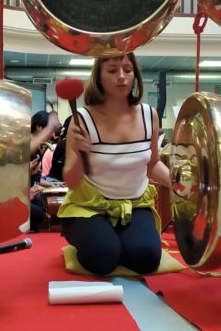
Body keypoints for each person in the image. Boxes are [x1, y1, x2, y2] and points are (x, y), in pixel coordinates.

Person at [58, 53, 172, 275]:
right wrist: (80, 155)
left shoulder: (149, 115)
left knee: (147, 259)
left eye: (127, 70)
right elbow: (71, 181)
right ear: (99, 77)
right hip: (88, 206)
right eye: (112, 70)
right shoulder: (82, 119)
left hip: (134, 205)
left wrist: (179, 185)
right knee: (103, 258)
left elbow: (153, 164)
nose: (122, 76)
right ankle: (98, 239)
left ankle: (114, 239)